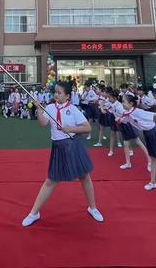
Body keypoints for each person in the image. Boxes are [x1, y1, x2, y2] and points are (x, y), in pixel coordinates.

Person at [21, 81, 104, 227]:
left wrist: (71, 128)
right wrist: (39, 110)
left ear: (67, 96)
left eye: (59, 93)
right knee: (51, 180)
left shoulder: (73, 109)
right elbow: (43, 123)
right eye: (55, 92)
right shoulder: (50, 107)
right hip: (58, 147)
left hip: (74, 146)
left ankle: (93, 208)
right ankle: (34, 213)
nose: (56, 95)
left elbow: (87, 128)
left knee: (84, 176)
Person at [109, 90, 151, 171]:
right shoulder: (114, 105)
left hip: (128, 125)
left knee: (138, 142)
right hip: (123, 125)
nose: (123, 103)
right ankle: (128, 163)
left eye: (124, 101)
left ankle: (149, 160)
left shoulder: (120, 107)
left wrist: (120, 119)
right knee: (126, 144)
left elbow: (126, 116)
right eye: (123, 101)